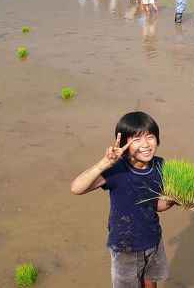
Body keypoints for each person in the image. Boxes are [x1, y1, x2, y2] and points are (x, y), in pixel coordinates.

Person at [70, 112, 174, 288]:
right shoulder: (116, 170)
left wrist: (174, 200)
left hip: (153, 238)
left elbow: (156, 205)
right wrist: (105, 163)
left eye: (150, 137)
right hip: (125, 246)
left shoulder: (160, 165)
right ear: (125, 143)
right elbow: (76, 188)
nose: (146, 144)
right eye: (136, 139)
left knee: (151, 282)